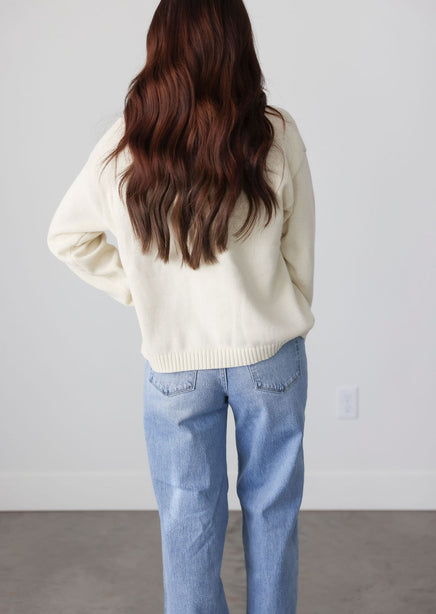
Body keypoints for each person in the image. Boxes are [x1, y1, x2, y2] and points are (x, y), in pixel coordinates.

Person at [46, 0, 316, 612]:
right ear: (237, 44)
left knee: (187, 523)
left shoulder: (126, 144)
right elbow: (299, 250)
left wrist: (143, 295)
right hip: (270, 355)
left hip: (175, 364)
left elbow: (67, 237)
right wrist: (287, 305)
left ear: (159, 47)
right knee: (274, 512)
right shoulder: (275, 132)